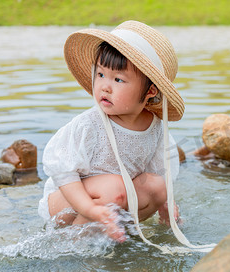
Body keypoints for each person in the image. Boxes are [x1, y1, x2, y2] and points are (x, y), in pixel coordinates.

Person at [38, 21, 185, 243]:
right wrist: (90, 209)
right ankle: (70, 244)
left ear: (150, 90)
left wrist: (166, 203)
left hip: (114, 199)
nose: (105, 87)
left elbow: (159, 170)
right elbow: (63, 172)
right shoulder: (89, 125)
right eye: (100, 75)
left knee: (157, 186)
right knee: (114, 187)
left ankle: (113, 235)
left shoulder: (154, 127)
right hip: (67, 200)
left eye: (118, 79)